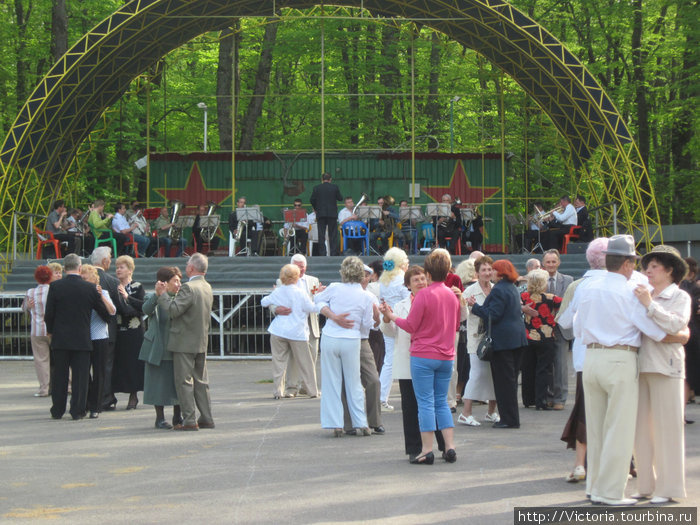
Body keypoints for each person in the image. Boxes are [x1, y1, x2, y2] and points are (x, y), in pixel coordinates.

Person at [562, 235, 683, 506]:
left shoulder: (587, 287)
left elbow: (573, 326)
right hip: (620, 359)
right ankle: (611, 492)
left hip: (591, 357)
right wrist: (679, 335)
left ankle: (595, 488)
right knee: (619, 429)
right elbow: (652, 330)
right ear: (628, 263)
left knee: (595, 428)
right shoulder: (629, 290)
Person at [380, 249, 461, 464]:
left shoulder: (424, 295)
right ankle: (450, 447)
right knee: (441, 403)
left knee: (424, 403)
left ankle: (426, 450)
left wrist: (391, 316)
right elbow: (454, 326)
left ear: (429, 272)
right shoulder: (452, 295)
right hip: (446, 355)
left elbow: (411, 325)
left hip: (424, 355)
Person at [632, 245, 691, 504]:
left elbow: (677, 325)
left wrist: (650, 305)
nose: (648, 271)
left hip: (667, 367)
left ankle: (669, 488)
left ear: (669, 270)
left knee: (669, 429)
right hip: (640, 366)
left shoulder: (680, 296)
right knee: (641, 431)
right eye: (647, 266)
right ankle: (646, 485)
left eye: (655, 266)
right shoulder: (641, 294)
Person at [556, 237, 608, 483]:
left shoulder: (579, 286)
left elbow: (563, 321)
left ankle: (580, 464)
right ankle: (624, 462)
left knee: (585, 411)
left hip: (585, 357)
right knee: (617, 411)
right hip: (620, 357)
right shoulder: (628, 284)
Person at [313, 256, 375, 437]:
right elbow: (366, 324)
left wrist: (332, 316)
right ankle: (361, 423)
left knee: (331, 381)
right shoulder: (366, 296)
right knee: (354, 382)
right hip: (352, 339)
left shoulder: (334, 288)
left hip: (331, 337)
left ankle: (336, 424)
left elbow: (317, 300)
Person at [44, 253, 110, 420]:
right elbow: (104, 312)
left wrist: (51, 330)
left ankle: (57, 410)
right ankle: (78, 410)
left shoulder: (56, 287)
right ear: (80, 268)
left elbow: (49, 313)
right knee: (80, 378)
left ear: (65, 268)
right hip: (82, 338)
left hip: (61, 339)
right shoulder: (89, 288)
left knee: (60, 376)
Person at [156, 253, 215, 431]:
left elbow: (174, 310)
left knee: (184, 381)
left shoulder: (189, 287)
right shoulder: (207, 286)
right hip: (200, 340)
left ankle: (189, 420)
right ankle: (206, 417)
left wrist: (163, 295)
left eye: (187, 264)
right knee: (201, 382)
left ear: (191, 268)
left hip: (184, 341)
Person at [467, 259, 528, 429]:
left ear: (500, 273)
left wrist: (475, 306)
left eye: (493, 270)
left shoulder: (499, 290)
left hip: (504, 343)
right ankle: (511, 417)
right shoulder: (512, 288)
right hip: (517, 340)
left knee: (504, 383)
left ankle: (508, 419)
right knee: (511, 381)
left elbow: (493, 315)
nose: (491, 273)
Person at [260, 264, 320, 399]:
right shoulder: (300, 292)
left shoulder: (278, 291)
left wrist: (277, 306)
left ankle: (277, 391)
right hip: (297, 331)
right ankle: (312, 391)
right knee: (306, 363)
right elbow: (312, 308)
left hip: (278, 330)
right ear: (297, 277)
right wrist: (319, 299)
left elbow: (264, 302)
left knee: (278, 362)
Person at [339, 264, 384, 435]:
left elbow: (375, 325)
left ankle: (375, 421)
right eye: (361, 275)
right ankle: (348, 423)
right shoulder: (341, 292)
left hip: (363, 340)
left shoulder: (371, 296)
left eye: (367, 275)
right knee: (346, 381)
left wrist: (377, 318)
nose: (363, 278)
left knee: (373, 380)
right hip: (344, 338)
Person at [139, 266, 184, 429]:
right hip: (157, 345)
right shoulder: (154, 297)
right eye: (175, 281)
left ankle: (178, 416)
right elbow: (146, 310)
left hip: (176, 346)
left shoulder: (181, 298)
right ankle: (159, 418)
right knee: (157, 384)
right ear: (164, 283)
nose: (179, 284)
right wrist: (158, 295)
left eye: (180, 280)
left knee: (178, 383)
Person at [458, 256, 499, 426]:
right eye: (484, 270)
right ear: (477, 273)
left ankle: (491, 412)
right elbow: (463, 316)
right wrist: (466, 305)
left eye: (490, 269)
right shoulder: (470, 291)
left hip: (494, 339)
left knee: (494, 375)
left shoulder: (496, 289)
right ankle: (466, 413)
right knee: (476, 374)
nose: (487, 273)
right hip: (476, 339)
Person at [520, 269, 562, 410]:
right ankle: (541, 401)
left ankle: (527, 399)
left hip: (528, 336)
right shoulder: (551, 298)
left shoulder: (524, 297)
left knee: (527, 369)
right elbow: (563, 305)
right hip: (546, 337)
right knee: (543, 370)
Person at [79, 264, 116, 419]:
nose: (83, 281)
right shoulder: (79, 294)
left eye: (85, 278)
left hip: (100, 336)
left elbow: (112, 311)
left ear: (94, 279)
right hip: (83, 337)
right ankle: (86, 403)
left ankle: (96, 405)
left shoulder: (103, 292)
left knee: (99, 372)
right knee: (84, 373)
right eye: (81, 278)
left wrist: (100, 296)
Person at [90, 246, 123, 411]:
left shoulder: (84, 278)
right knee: (105, 367)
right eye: (110, 258)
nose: (111, 261)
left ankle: (89, 399)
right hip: (107, 331)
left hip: (85, 330)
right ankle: (105, 398)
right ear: (104, 261)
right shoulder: (112, 281)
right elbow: (120, 307)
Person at [378, 248, 411, 411]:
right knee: (393, 360)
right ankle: (381, 398)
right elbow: (409, 300)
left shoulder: (384, 280)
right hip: (401, 321)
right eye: (406, 260)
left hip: (387, 322)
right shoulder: (402, 280)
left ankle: (382, 397)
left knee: (389, 359)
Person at [112, 255, 145, 410]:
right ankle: (111, 395)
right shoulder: (113, 286)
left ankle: (133, 395)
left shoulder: (137, 286)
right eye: (117, 267)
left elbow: (142, 307)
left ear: (130, 270)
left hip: (134, 331)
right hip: (117, 330)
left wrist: (127, 298)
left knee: (133, 363)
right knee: (117, 363)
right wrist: (129, 309)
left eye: (122, 267)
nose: (118, 270)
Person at [541, 249, 573, 410]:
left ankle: (560, 398)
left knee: (560, 365)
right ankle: (547, 396)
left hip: (561, 327)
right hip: (542, 328)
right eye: (548, 262)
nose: (551, 265)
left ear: (558, 262)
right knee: (546, 364)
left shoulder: (568, 280)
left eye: (554, 262)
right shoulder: (539, 280)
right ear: (543, 263)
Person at [22, 266, 55, 397]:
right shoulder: (53, 290)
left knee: (41, 360)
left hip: (37, 329)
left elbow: (24, 308)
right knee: (61, 358)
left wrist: (29, 307)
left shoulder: (30, 292)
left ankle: (44, 388)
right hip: (53, 329)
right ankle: (68, 385)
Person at [681, 257, 700, 409]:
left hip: (685, 333)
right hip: (691, 332)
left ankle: (681, 411)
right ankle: (681, 411)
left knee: (685, 374)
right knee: (687, 374)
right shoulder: (691, 288)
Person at [309, 172, 343, 256]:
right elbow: (340, 198)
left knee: (321, 234)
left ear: (322, 179)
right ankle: (333, 253)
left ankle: (322, 254)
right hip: (332, 214)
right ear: (330, 179)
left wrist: (316, 208)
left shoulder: (316, 188)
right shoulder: (334, 187)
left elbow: (312, 200)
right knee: (333, 235)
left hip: (321, 214)